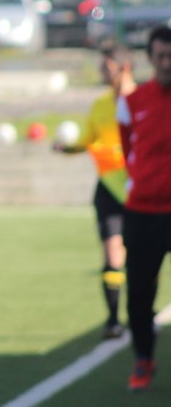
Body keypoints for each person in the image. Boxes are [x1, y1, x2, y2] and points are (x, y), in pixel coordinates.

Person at [54, 42, 136, 339]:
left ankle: (141, 313)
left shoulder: (142, 101)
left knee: (142, 257)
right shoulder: (101, 105)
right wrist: (68, 148)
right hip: (109, 189)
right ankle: (113, 320)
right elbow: (89, 139)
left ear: (123, 68)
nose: (101, 70)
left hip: (139, 189)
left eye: (106, 66)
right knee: (112, 253)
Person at [117, 25, 171, 391]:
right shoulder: (132, 102)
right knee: (138, 294)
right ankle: (143, 358)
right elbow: (128, 152)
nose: (167, 63)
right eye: (160, 56)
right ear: (151, 58)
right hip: (143, 214)